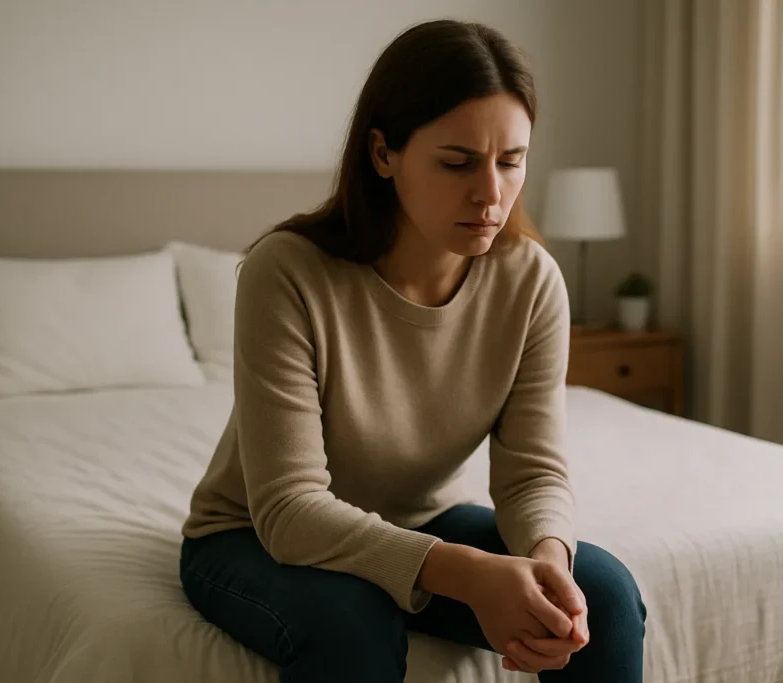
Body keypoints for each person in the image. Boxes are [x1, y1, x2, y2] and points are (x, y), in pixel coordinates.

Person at [179, 18, 646, 682]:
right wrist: (473, 574)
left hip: (418, 519)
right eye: (457, 163)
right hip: (249, 534)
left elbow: (532, 474)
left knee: (601, 596)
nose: (491, 193)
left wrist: (546, 561)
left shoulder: (532, 281)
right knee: (353, 619)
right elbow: (288, 508)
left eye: (511, 161)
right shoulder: (285, 273)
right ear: (383, 154)